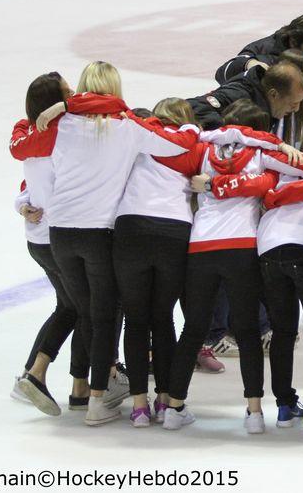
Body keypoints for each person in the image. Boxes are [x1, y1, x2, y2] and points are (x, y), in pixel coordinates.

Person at [9, 61, 188, 426]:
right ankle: (96, 401)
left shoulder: (60, 123)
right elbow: (179, 144)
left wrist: (67, 107)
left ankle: (81, 390)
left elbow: (21, 150)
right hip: (99, 233)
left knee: (86, 312)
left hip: (60, 232)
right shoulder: (128, 127)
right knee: (104, 316)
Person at [163, 100, 303, 434]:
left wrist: (212, 184)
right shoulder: (261, 153)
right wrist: (276, 146)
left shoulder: (203, 149)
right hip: (241, 245)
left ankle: (173, 408)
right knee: (247, 330)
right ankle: (254, 413)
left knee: (193, 329)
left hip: (201, 246)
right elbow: (282, 175)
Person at [111, 98, 204, 427]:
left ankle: (139, 405)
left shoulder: (140, 141)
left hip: (132, 227)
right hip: (174, 230)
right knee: (163, 318)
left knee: (136, 319)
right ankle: (165, 401)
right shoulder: (194, 146)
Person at [10, 72, 89, 417]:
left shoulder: (29, 134)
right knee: (85, 308)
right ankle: (60, 381)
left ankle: (33, 376)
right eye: (66, 92)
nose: (73, 95)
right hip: (58, 239)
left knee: (69, 306)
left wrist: (21, 204)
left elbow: (29, 182)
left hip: (40, 239)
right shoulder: (63, 134)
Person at [189, 61, 303, 132]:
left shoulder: (265, 104)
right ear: (274, 94)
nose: (297, 109)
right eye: (293, 103)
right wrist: (226, 134)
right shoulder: (239, 95)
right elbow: (194, 107)